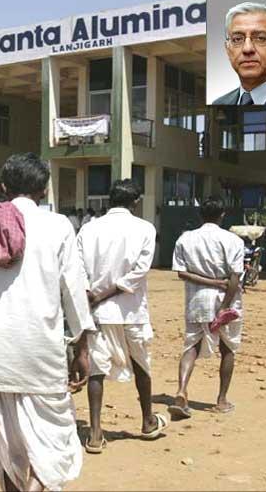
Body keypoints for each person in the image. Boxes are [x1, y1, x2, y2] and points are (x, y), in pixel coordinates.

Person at [0, 153, 96, 492]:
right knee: (56, 437)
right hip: (38, 346)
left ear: (3, 186)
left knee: (7, 434)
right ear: (44, 189)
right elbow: (73, 290)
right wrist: (83, 347)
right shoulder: (57, 226)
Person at [77, 179, 168, 454]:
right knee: (142, 365)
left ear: (109, 199)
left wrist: (91, 295)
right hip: (131, 311)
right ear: (135, 202)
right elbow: (139, 272)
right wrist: (103, 295)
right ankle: (148, 421)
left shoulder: (88, 229)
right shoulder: (145, 229)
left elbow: (78, 269)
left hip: (97, 312)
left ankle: (94, 433)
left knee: (96, 370)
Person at [169, 197, 244, 419]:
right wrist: (224, 307)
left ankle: (181, 391)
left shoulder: (186, 239)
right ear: (222, 215)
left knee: (191, 345)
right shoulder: (233, 240)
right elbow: (234, 277)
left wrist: (209, 283)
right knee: (228, 348)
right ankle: (221, 400)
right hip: (226, 298)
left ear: (200, 215)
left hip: (197, 299)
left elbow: (181, 273)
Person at [213, 2, 266, 104]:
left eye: (260, 38)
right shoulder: (219, 104)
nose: (247, 49)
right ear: (228, 50)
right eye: (237, 39)